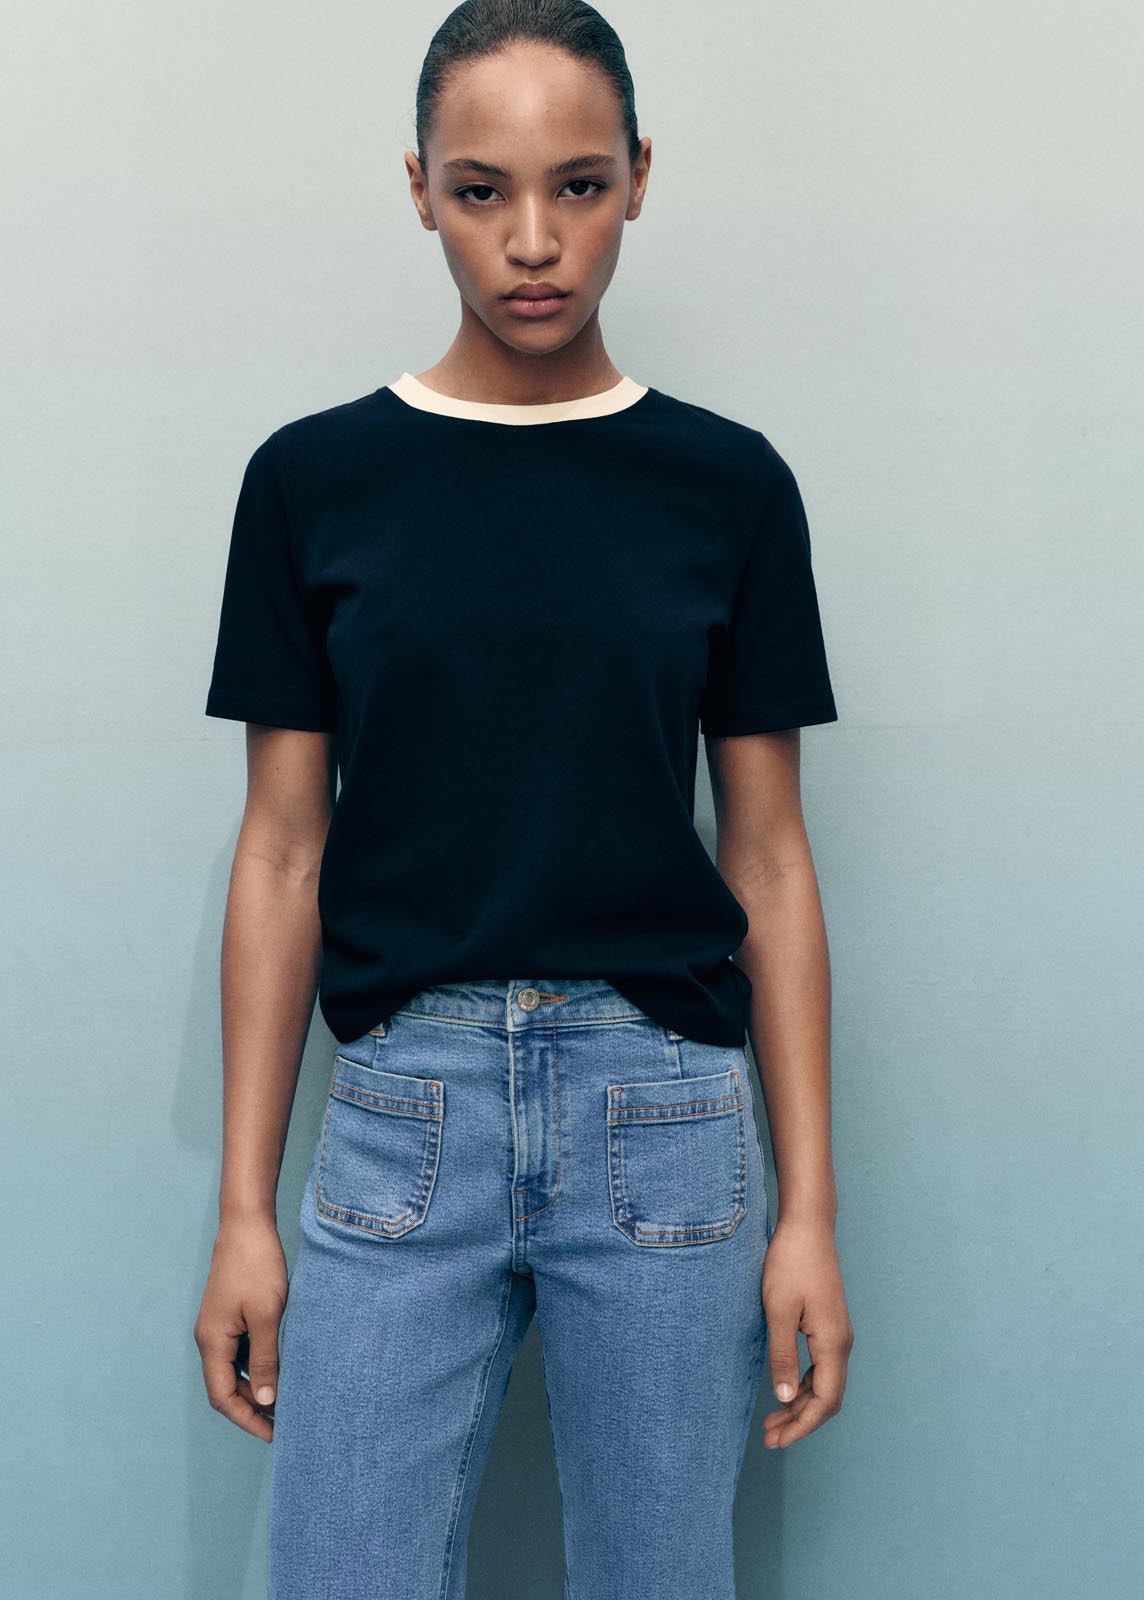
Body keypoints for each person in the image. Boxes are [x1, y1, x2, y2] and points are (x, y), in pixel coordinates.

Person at [193, 1, 855, 1595]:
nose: (535, 242)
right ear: (420, 189)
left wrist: (811, 1213)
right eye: (482, 190)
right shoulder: (312, 483)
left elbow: (768, 858)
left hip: (663, 1112)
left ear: (641, 177)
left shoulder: (728, 486)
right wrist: (243, 1212)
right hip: (402, 1113)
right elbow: (282, 853)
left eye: (580, 186)